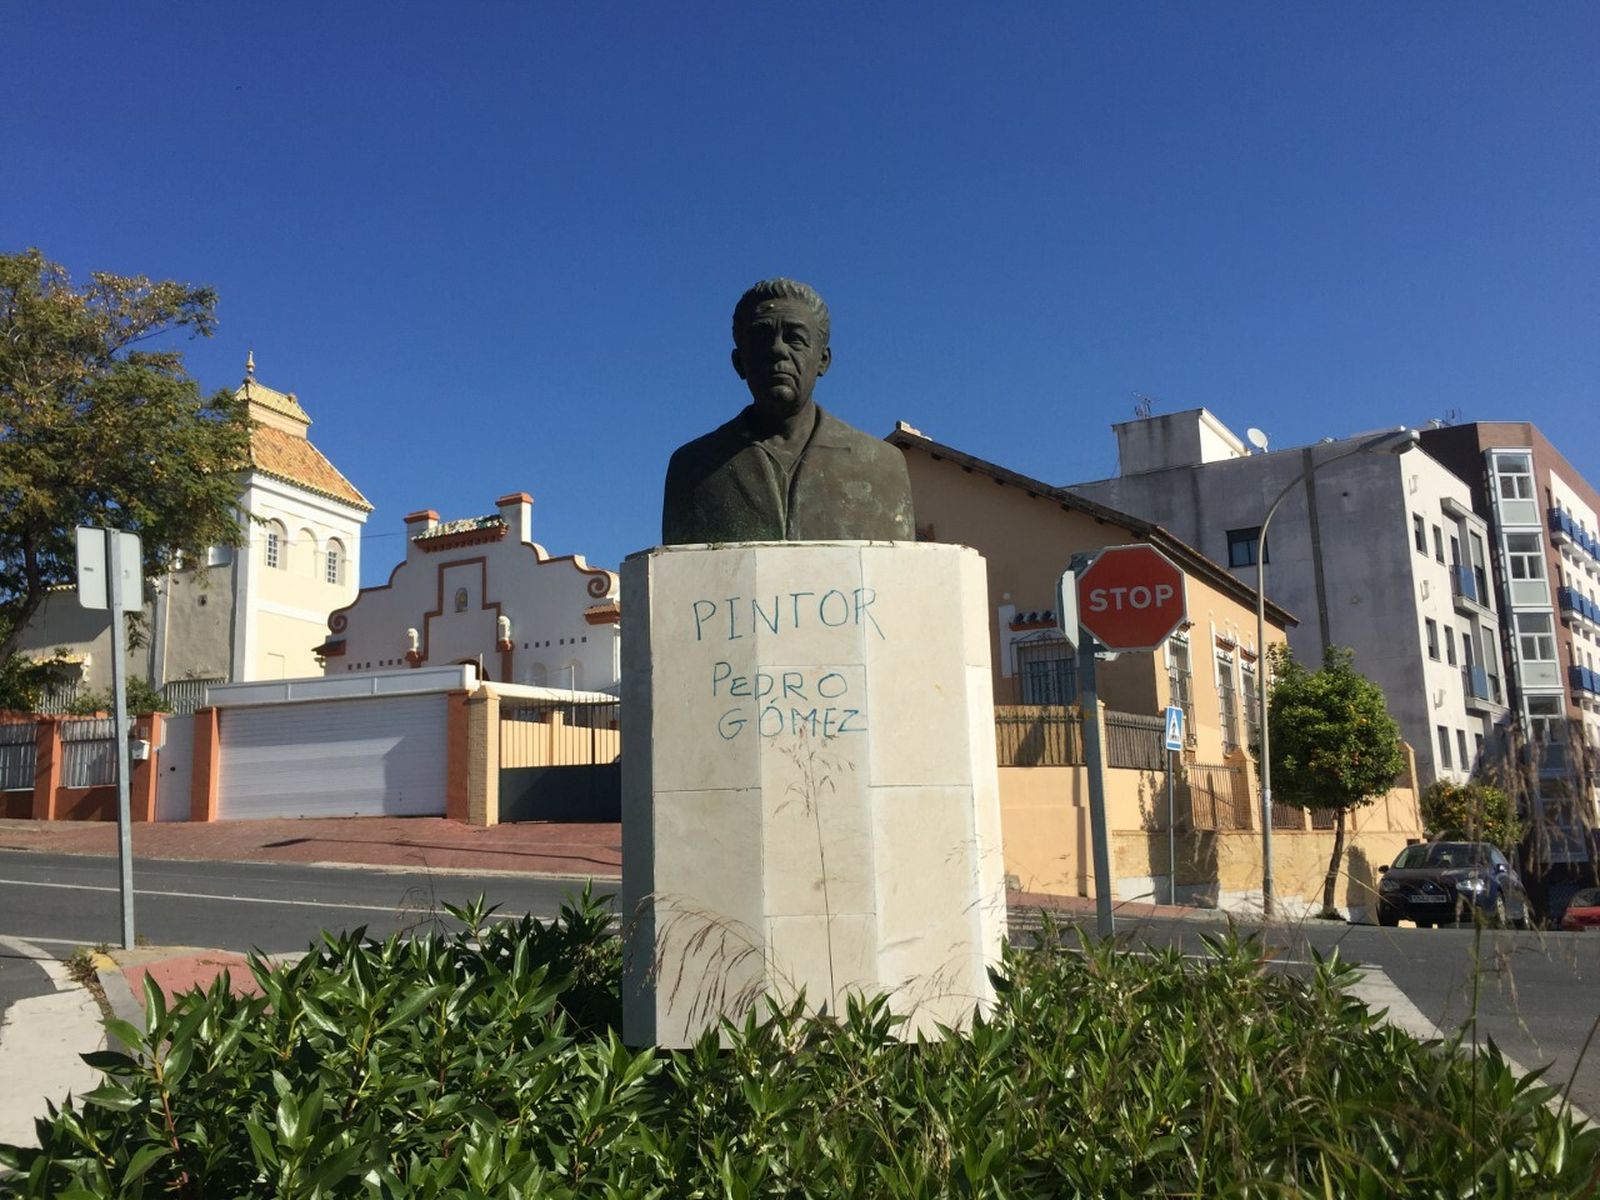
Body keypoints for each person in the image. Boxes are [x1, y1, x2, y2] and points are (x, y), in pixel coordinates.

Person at [661, 278, 915, 544]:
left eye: (795, 338)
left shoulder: (881, 466)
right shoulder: (692, 467)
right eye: (761, 338)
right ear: (739, 363)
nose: (777, 350)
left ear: (823, 361)